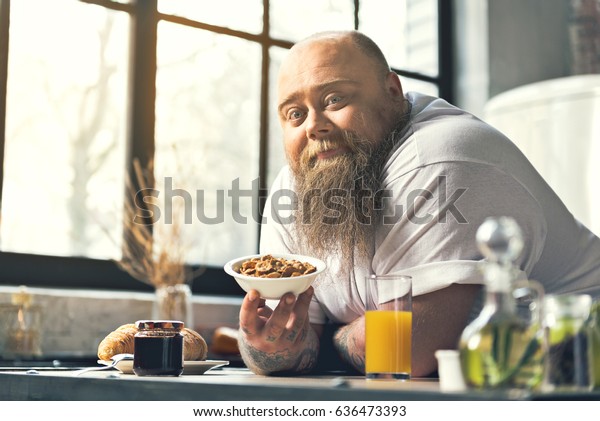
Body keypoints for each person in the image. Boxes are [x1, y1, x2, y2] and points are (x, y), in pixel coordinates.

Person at [237, 30, 600, 377]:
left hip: (578, 362)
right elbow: (288, 340)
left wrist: (325, 341)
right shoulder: (297, 185)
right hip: (488, 375)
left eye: (334, 99)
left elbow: (410, 349)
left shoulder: (442, 157)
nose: (314, 126)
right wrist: (269, 348)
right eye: (295, 114)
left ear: (392, 91)